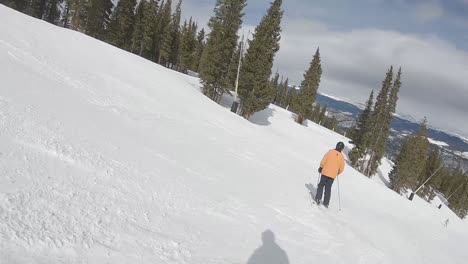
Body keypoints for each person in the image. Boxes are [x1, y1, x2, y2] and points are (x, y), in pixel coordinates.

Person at [315, 142, 346, 208]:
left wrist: (321, 167)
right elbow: (341, 168)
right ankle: (326, 203)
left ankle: (318, 198)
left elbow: (324, 159)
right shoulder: (341, 157)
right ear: (342, 148)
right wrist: (337, 172)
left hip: (325, 172)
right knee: (328, 188)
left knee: (321, 185)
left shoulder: (330, 152)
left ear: (336, 146)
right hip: (332, 175)